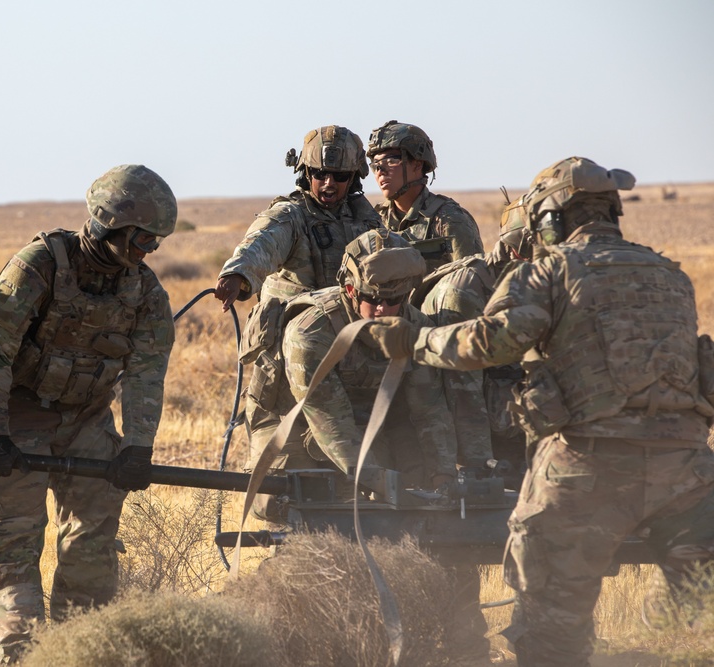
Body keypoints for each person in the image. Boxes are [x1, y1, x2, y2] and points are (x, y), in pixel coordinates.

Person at [368, 156, 714, 666]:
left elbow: (489, 342)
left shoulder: (548, 273)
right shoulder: (671, 275)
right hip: (688, 473)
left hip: (586, 470)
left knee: (552, 635)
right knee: (699, 616)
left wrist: (412, 341)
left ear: (550, 220)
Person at [0, 164, 177, 665]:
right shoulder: (38, 266)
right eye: (141, 238)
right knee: (11, 564)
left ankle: (83, 654)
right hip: (18, 418)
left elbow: (146, 372)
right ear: (108, 223)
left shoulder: (144, 291)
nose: (147, 252)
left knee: (92, 560)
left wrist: (139, 446)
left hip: (88, 423)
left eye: (155, 242)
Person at [244, 232, 457, 523]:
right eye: (372, 298)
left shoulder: (415, 328)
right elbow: (329, 418)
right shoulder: (311, 331)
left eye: (393, 299)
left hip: (363, 421)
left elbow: (430, 410)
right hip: (292, 421)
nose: (383, 309)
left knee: (408, 499)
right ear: (350, 289)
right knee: (304, 504)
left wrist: (443, 477)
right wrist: (375, 481)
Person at [214, 125, 405, 311]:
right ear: (306, 173)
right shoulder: (290, 215)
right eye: (320, 174)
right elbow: (263, 241)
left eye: (340, 176)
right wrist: (237, 273)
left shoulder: (365, 219)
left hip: (346, 329)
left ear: (353, 178)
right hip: (295, 329)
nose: (329, 183)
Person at [410, 195, 534, 473]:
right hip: (456, 410)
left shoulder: (538, 281)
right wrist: (481, 469)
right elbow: (463, 393)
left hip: (505, 403)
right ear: (519, 251)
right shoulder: (467, 290)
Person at [367, 120, 483, 271]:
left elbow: (472, 281)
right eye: (375, 165)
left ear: (417, 164)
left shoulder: (450, 220)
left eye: (390, 160)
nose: (380, 171)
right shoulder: (375, 222)